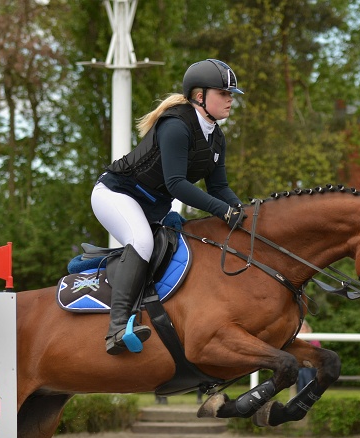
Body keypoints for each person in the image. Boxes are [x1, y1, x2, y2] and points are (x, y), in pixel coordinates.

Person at [92, 59, 246, 355]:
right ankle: (116, 329)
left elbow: (218, 188)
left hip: (151, 206)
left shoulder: (216, 137)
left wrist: (243, 212)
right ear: (199, 96)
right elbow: (176, 184)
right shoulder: (176, 125)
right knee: (141, 241)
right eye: (223, 93)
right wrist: (221, 211)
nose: (229, 100)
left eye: (230, 95)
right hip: (117, 194)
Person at [296, 321, 321, 392]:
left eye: (303, 329)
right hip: (298, 368)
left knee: (304, 371)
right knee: (302, 371)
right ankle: (310, 392)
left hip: (312, 368)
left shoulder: (314, 341)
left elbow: (317, 357)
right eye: (299, 329)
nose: (301, 331)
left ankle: (300, 396)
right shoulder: (294, 342)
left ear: (307, 330)